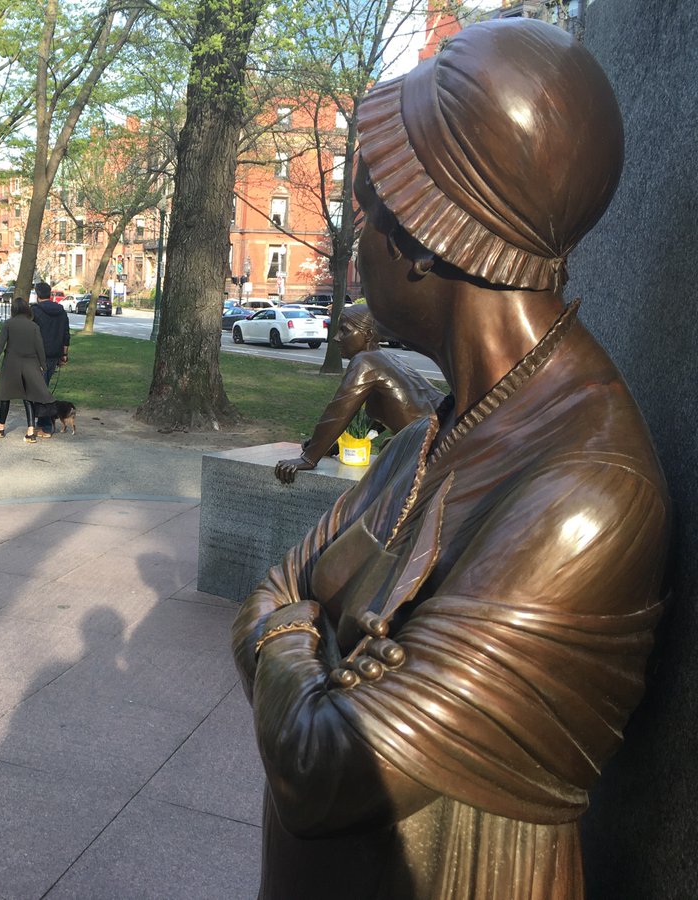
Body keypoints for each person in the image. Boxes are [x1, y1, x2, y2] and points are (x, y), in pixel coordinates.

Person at [231, 19, 669, 900]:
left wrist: (293, 635)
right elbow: (269, 593)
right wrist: (312, 648)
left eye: (368, 206)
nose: (356, 239)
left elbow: (323, 767)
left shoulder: (586, 493)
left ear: (426, 240)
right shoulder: (437, 432)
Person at [275, 304, 443, 477]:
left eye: (344, 331)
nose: (336, 338)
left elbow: (338, 412)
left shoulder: (365, 361)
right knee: (390, 449)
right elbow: (396, 410)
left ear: (368, 335)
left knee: (390, 452)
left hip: (436, 444)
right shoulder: (386, 357)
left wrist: (309, 458)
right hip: (444, 432)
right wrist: (333, 445)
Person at [0, 296, 56, 443]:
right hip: (31, 364)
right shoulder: (34, 326)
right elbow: (40, 347)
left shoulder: (9, 324)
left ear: (14, 309)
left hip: (11, 364)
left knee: (5, 395)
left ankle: (0, 427)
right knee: (28, 396)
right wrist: (43, 365)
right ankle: (30, 431)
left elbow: (0, 345)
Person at [30, 281, 71, 437]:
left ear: (37, 294)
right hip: (54, 354)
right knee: (43, 387)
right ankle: (41, 422)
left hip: (38, 355)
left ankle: (44, 424)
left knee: (40, 389)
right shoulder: (61, 311)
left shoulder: (35, 311)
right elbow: (66, 334)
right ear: (50, 294)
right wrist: (64, 354)